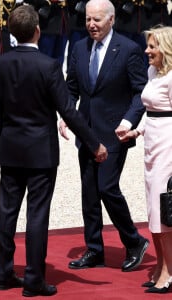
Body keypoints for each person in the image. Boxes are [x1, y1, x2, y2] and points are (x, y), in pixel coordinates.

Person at [0, 4, 108, 297]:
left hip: (11, 148)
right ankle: (33, 279)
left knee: (7, 211)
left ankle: (4, 274)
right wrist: (94, 143)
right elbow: (68, 111)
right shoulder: (48, 65)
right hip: (40, 151)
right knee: (37, 215)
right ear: (38, 31)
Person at [59, 0, 150, 272]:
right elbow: (71, 87)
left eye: (97, 20)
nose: (91, 25)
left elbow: (140, 91)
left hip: (114, 133)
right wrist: (66, 116)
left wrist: (128, 120)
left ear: (111, 20)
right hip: (85, 130)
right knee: (89, 191)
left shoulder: (129, 50)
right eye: (88, 19)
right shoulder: (78, 48)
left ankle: (134, 241)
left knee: (106, 187)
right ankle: (94, 249)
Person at [121, 26, 172, 294]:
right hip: (152, 144)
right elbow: (152, 112)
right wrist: (136, 130)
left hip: (168, 148)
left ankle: (169, 272)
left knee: (164, 208)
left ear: (166, 49)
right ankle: (160, 265)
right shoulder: (153, 73)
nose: (147, 51)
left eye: (152, 46)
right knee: (153, 208)